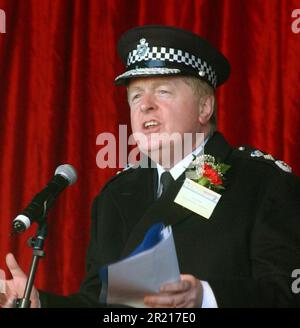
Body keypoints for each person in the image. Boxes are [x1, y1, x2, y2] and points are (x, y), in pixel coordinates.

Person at [1, 25, 300, 308]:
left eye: (163, 91)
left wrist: (205, 297)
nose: (145, 105)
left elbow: (288, 292)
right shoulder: (116, 196)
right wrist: (39, 303)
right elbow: (100, 304)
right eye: (135, 96)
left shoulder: (260, 183)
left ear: (205, 107)